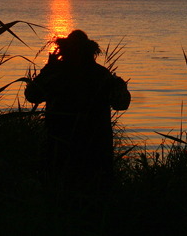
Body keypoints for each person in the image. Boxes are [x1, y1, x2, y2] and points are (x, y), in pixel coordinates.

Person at [25, 30, 131, 190]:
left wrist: (48, 68)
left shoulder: (56, 73)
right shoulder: (101, 75)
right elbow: (121, 104)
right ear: (91, 52)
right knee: (95, 194)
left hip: (59, 148)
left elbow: (32, 95)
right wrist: (120, 85)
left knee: (59, 192)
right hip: (95, 150)